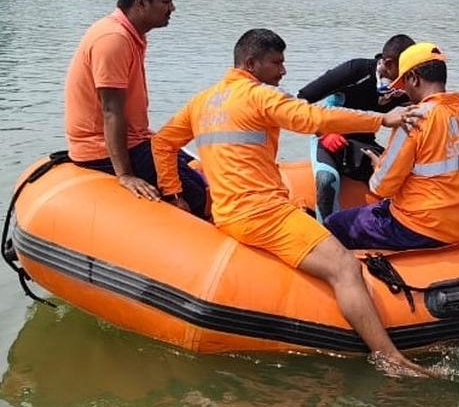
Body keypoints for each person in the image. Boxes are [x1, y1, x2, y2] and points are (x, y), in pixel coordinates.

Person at [150, 29, 430, 377]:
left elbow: (161, 143)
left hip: (228, 212)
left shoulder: (203, 101)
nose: (283, 71)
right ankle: (390, 359)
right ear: (251, 64)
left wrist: (175, 196)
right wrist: (382, 119)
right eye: (277, 63)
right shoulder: (260, 97)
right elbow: (314, 118)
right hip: (264, 215)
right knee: (346, 268)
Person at [325, 43, 459, 250]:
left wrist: (377, 165)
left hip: (414, 229)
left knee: (334, 224)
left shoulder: (411, 120)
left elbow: (381, 187)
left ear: (414, 78)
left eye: (404, 85)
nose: (405, 93)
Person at [65, 0, 207, 216]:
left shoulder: (130, 35)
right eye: (166, 1)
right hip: (99, 150)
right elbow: (111, 111)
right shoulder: (113, 39)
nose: (172, 8)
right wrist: (126, 175)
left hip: (135, 139)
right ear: (140, 3)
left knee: (199, 173)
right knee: (195, 193)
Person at [297, 34, 415, 222]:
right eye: (406, 70)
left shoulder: (404, 87)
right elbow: (301, 101)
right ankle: (326, 233)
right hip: (329, 138)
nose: (409, 77)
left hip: (363, 143)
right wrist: (324, 132)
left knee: (404, 180)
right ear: (389, 64)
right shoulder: (355, 71)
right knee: (327, 180)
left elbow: (431, 109)